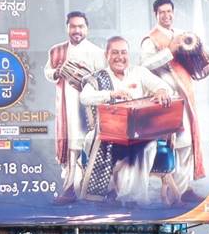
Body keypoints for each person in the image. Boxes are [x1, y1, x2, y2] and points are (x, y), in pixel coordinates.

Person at [78, 38, 175, 204]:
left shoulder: (139, 72)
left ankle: (132, 199)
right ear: (106, 55)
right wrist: (110, 95)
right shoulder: (99, 77)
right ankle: (108, 192)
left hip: (138, 133)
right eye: (115, 52)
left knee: (147, 147)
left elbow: (166, 87)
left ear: (128, 55)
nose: (119, 57)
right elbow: (84, 97)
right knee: (90, 140)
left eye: (123, 52)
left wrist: (161, 91)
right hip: (108, 132)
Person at [139, 0, 209, 205]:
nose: (166, 15)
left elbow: (204, 50)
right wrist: (169, 51)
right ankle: (176, 194)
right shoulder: (150, 39)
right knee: (176, 145)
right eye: (162, 12)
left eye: (169, 11)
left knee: (188, 144)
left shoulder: (182, 34)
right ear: (156, 14)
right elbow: (144, 66)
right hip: (167, 101)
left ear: (173, 13)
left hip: (187, 98)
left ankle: (184, 188)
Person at [43, 10, 107, 204]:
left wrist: (85, 78)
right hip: (67, 110)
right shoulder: (57, 51)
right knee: (72, 148)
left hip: (89, 110)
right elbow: (48, 72)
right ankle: (70, 189)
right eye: (73, 26)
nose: (76, 30)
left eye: (80, 26)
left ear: (86, 28)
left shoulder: (96, 52)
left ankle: (93, 192)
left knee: (90, 148)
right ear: (67, 28)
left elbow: (104, 80)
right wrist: (58, 72)